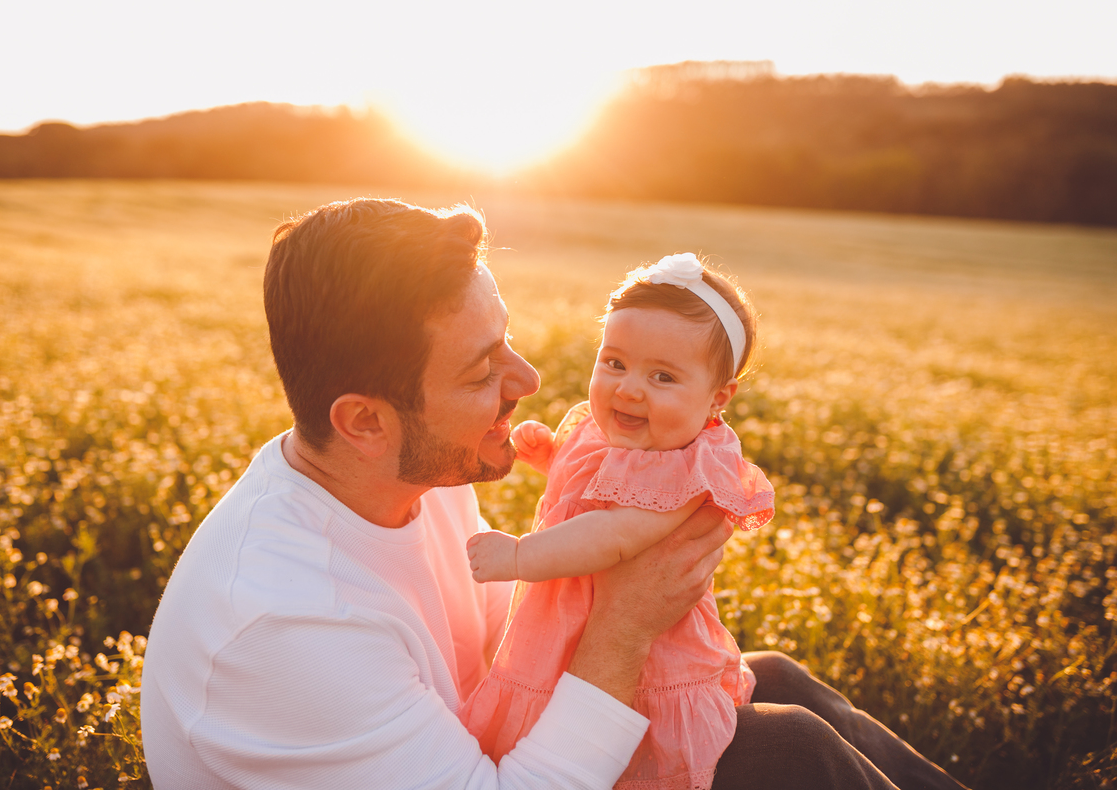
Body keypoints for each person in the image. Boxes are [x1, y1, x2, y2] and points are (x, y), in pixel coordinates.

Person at [139, 197, 968, 790]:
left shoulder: (410, 475)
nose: (529, 381)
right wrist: (626, 627)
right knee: (792, 756)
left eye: (507, 342)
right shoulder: (287, 623)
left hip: (481, 741)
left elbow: (515, 638)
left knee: (778, 680)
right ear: (364, 420)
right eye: (481, 369)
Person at [460, 252, 774, 790]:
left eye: (662, 376)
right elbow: (599, 492)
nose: (629, 389)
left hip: (642, 669)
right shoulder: (625, 437)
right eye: (615, 363)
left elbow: (614, 535)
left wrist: (518, 557)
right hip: (589, 631)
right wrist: (555, 458)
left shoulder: (686, 469)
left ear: (717, 399)